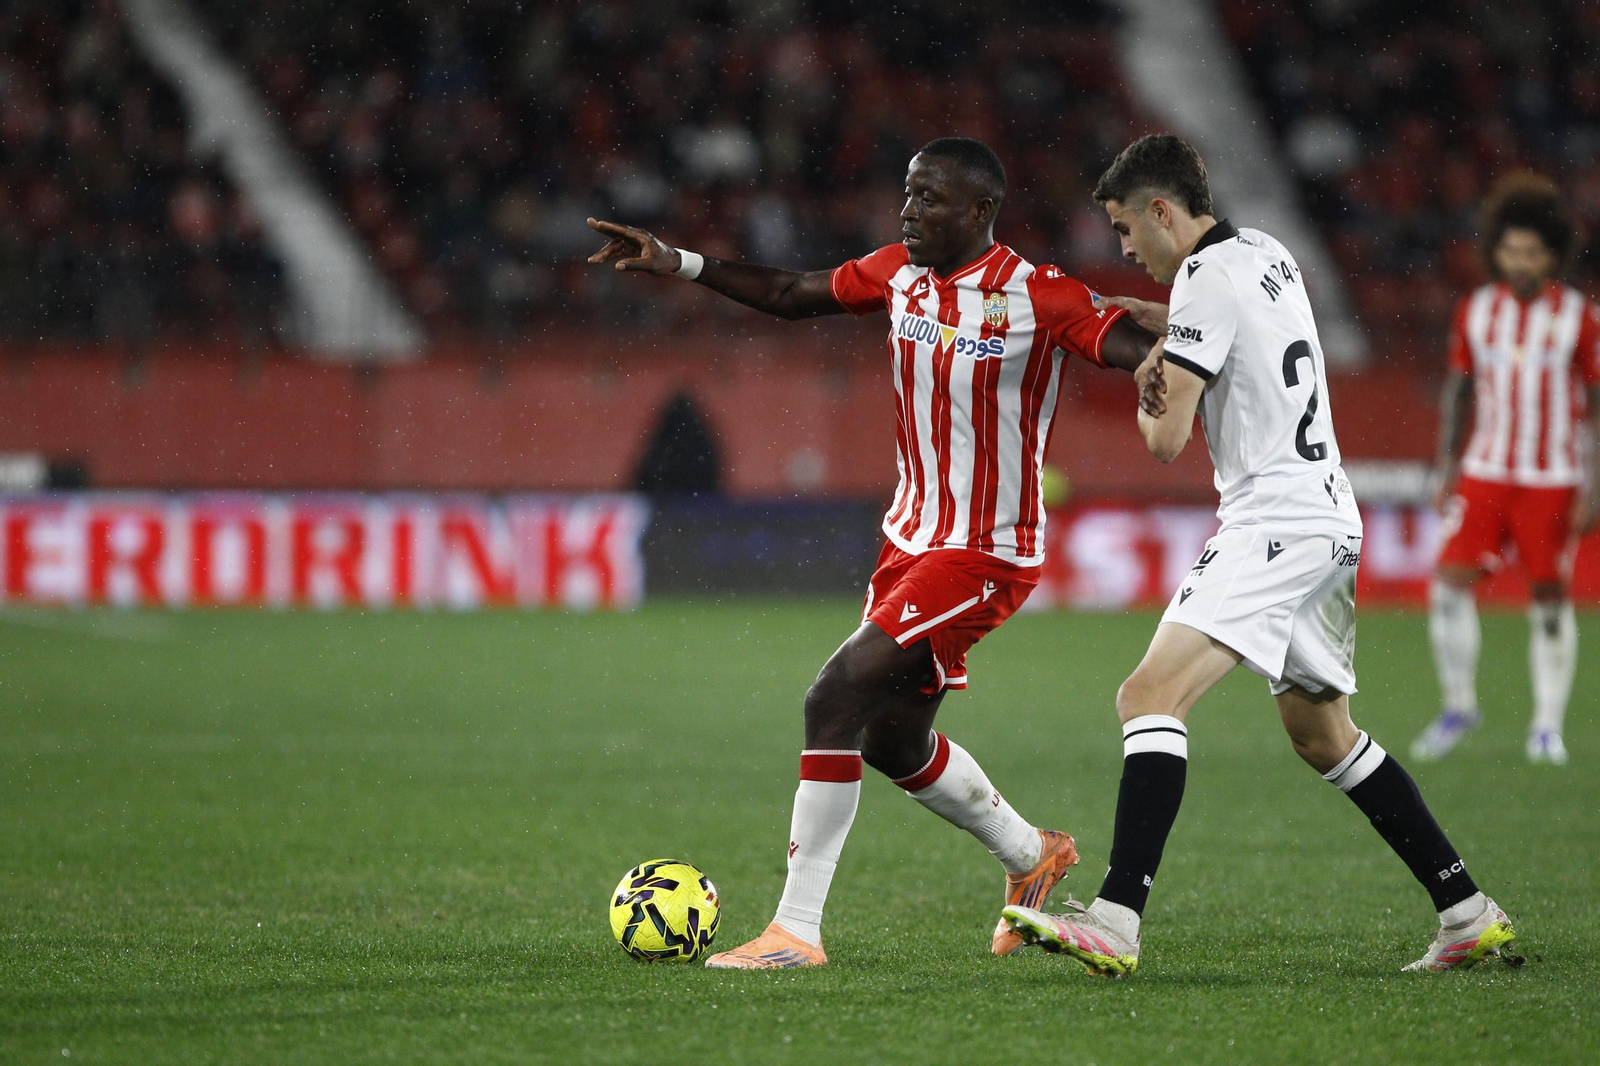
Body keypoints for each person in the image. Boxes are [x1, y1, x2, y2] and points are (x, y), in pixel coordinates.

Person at [587, 137, 1159, 969]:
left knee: (833, 696)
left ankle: (796, 931)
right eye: (908, 195)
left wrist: (1174, 359)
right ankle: (1033, 855)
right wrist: (675, 260)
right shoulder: (899, 272)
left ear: (981, 213)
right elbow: (788, 293)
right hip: (909, 540)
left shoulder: (1039, 295)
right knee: (891, 739)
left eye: (930, 199)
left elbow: (1135, 354)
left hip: (984, 549)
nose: (909, 212)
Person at [1002, 134, 1517, 975]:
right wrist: (1164, 319)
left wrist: (1150, 374)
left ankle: (1116, 917)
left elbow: (1166, 441)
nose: (1126, 248)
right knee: (1323, 734)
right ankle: (1466, 910)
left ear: (1163, 211)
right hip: (1330, 515)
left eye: (1129, 230)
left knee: (1148, 694)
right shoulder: (1266, 251)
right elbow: (1247, 320)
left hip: (1272, 520)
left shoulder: (1206, 279)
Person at [1411, 174, 1599, 767]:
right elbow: (1459, 390)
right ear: (1495, 251)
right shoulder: (1476, 310)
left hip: (1553, 475)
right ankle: (1459, 707)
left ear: (1552, 255)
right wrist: (1446, 463)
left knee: (1547, 597)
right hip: (1485, 468)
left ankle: (1546, 726)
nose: (1520, 262)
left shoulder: (1580, 318)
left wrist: (1596, 482)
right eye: (1511, 251)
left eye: (1533, 252)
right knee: (1447, 585)